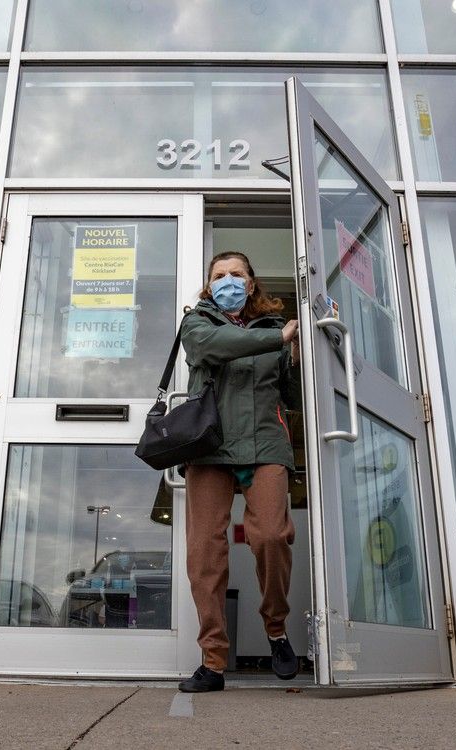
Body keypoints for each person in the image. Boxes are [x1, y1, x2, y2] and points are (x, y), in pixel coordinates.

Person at [177, 251, 302, 693]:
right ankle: (213, 660)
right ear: (209, 286)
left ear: (252, 284)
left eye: (236, 274)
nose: (228, 280)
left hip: (265, 442)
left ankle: (276, 631)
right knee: (206, 556)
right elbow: (213, 348)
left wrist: (302, 353)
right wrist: (278, 341)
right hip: (209, 444)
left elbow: (292, 394)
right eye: (218, 276)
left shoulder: (277, 329)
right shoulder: (198, 323)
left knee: (270, 536)